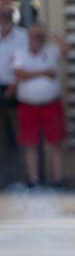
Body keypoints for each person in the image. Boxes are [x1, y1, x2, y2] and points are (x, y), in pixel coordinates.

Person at [10, 22, 61, 189]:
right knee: (30, 143)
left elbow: (67, 48)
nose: (36, 40)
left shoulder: (52, 50)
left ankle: (57, 179)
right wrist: (45, 72)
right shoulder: (20, 53)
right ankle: (33, 179)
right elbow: (19, 73)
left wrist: (50, 34)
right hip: (28, 105)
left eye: (40, 36)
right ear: (28, 37)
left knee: (55, 142)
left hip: (50, 104)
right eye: (33, 36)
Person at [0, 10, 22, 188]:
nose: (3, 21)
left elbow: (25, 61)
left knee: (18, 135)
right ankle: (3, 178)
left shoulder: (21, 37)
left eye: (6, 17)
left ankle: (20, 177)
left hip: (15, 89)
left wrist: (15, 85)